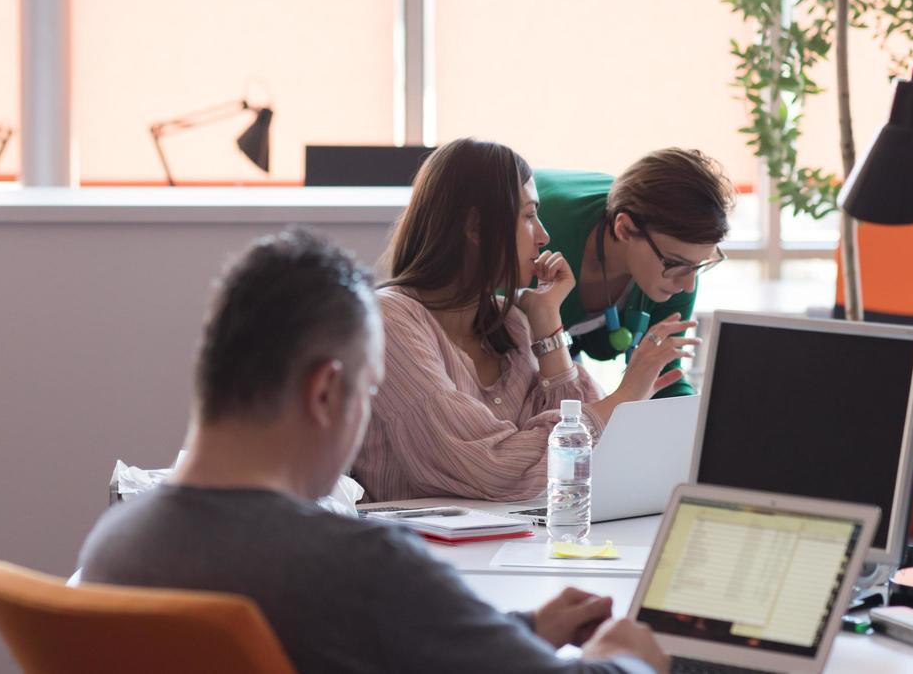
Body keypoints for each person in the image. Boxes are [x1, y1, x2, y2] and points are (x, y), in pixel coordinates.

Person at [77, 228, 668, 674]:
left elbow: (377, 636)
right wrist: (626, 655)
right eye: (370, 389)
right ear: (326, 391)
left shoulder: (116, 544)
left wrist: (528, 627)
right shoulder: (359, 566)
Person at [353, 139, 696, 503]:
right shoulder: (390, 320)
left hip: (508, 545)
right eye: (529, 216)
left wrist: (548, 321)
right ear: (475, 227)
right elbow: (494, 468)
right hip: (416, 548)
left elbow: (578, 465)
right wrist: (625, 397)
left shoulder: (514, 322)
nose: (544, 236)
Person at [533, 149, 734, 399]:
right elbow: (504, 379)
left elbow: (664, 378)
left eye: (699, 265)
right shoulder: (538, 241)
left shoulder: (676, 269)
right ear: (625, 229)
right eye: (676, 263)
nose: (688, 285)